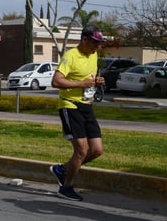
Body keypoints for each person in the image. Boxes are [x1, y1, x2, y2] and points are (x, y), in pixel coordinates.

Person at [50, 25, 106, 201]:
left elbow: (87, 79)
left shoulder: (94, 54)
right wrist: (81, 84)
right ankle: (66, 188)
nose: (98, 46)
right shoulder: (70, 56)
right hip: (70, 106)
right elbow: (56, 81)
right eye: (95, 42)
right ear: (84, 40)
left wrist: (96, 81)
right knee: (81, 151)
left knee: (97, 150)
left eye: (100, 43)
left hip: (86, 106)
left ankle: (62, 169)